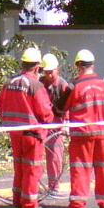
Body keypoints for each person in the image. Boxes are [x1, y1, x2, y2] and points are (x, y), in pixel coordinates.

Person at [61, 49, 104, 208]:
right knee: (103, 167)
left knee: (81, 168)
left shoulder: (74, 86)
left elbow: (59, 108)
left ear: (78, 66)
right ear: (92, 65)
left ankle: (78, 203)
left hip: (82, 135)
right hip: (103, 134)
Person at [0, 46, 54, 208]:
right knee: (32, 168)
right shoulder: (35, 85)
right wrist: (50, 121)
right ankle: (28, 203)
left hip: (14, 132)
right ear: (37, 67)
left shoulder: (9, 83)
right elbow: (44, 112)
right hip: (32, 134)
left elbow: (0, 105)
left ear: (22, 64)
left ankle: (17, 199)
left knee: (19, 166)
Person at [39, 53, 71, 198]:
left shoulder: (63, 86)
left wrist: (66, 123)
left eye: (51, 72)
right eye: (46, 72)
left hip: (57, 124)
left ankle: (54, 186)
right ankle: (36, 185)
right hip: (42, 123)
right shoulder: (40, 83)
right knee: (38, 155)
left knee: (55, 156)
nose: (48, 75)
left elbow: (68, 105)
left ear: (57, 69)